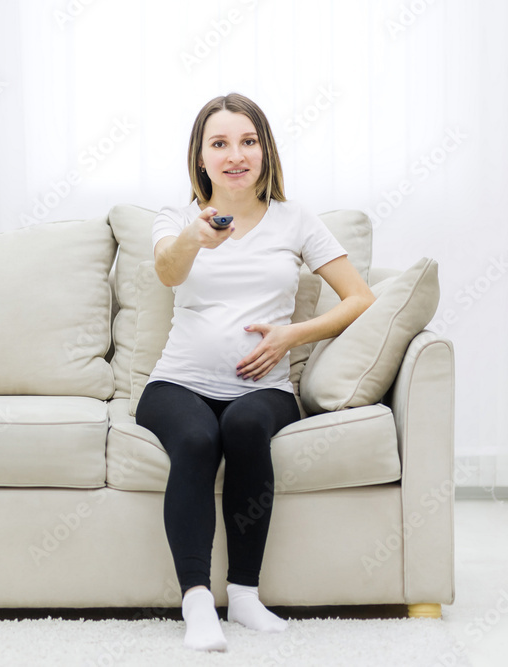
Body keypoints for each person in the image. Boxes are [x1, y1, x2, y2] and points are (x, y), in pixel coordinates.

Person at [135, 93, 375, 652]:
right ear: (200, 157)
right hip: (177, 385)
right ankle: (197, 603)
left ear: (265, 150)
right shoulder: (178, 219)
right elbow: (168, 272)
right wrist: (195, 236)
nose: (235, 155)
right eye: (219, 143)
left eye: (248, 141)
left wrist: (293, 335)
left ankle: (244, 595)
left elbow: (360, 298)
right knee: (196, 439)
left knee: (244, 428)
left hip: (264, 390)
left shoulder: (296, 220)